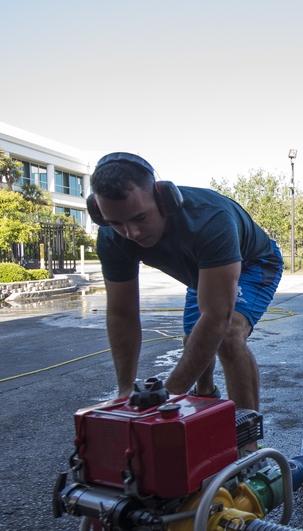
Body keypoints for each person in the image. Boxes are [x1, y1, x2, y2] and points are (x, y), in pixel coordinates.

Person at [90, 152, 282, 411]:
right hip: (202, 271)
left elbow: (216, 317)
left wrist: (164, 398)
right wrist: (126, 391)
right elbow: (122, 313)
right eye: (116, 223)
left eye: (140, 218)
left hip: (253, 263)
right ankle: (205, 395)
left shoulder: (210, 219)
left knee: (227, 335)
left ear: (165, 200)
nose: (130, 233)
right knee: (192, 340)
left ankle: (246, 438)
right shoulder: (113, 238)